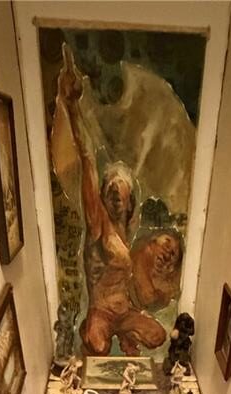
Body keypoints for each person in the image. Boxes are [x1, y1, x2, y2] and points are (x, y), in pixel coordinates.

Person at [56, 47, 167, 357]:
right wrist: (72, 108)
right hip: (102, 312)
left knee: (157, 336)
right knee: (98, 345)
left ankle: (125, 334)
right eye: (110, 194)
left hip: (124, 311)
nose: (115, 199)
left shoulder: (127, 231)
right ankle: (95, 329)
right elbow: (88, 160)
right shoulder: (98, 225)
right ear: (102, 197)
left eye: (121, 195)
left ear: (130, 203)